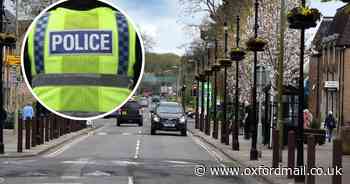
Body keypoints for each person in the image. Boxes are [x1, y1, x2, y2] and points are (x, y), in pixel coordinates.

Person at [23, 0, 142, 118]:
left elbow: (27, 76)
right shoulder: (124, 26)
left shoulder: (40, 26)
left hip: (51, 116)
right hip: (109, 111)